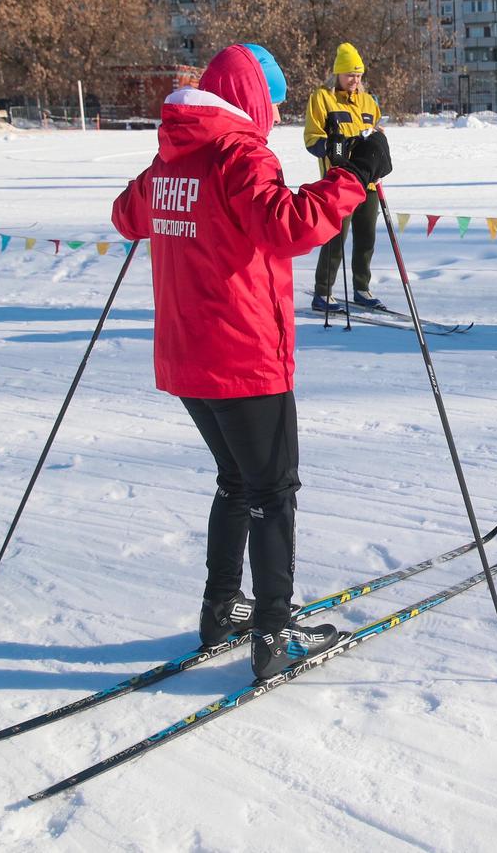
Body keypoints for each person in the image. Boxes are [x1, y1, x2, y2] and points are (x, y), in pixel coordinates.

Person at [111, 43, 393, 678]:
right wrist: (352, 179)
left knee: (237, 483)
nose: (273, 114)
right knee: (272, 490)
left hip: (188, 360)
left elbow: (127, 215)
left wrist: (165, 177)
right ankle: (274, 632)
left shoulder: (176, 154)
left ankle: (221, 612)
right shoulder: (239, 152)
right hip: (242, 355)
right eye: (271, 101)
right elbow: (289, 226)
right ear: (250, 100)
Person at [304, 42, 386, 312]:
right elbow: (312, 137)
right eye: (350, 75)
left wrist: (378, 141)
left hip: (368, 180)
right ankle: (323, 292)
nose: (355, 80)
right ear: (337, 74)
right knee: (335, 236)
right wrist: (330, 146)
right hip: (339, 181)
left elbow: (374, 129)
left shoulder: (368, 101)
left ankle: (362, 288)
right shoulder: (322, 98)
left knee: (366, 238)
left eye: (359, 75)